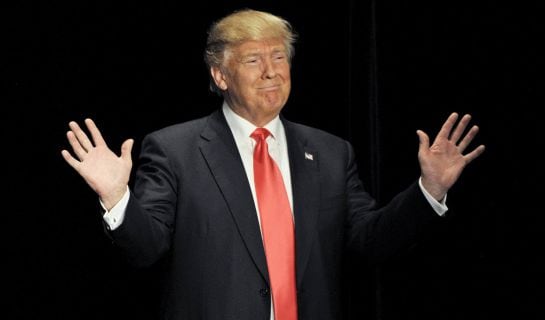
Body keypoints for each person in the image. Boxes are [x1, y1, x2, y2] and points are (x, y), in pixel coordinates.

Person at [61, 8, 485, 320]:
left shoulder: (332, 153)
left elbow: (371, 241)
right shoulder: (175, 150)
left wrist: (429, 191)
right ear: (221, 76)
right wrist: (118, 197)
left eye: (279, 57)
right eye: (252, 60)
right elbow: (146, 248)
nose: (271, 72)